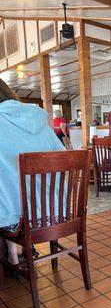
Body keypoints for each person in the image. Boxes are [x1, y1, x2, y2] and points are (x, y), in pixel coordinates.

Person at [0, 79, 64, 265]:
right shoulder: (40, 121)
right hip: (56, 214)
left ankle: (13, 257)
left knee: (8, 196)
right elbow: (63, 156)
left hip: (17, 221)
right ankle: (16, 254)